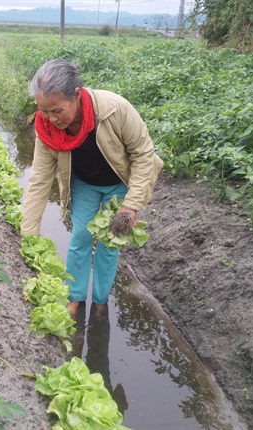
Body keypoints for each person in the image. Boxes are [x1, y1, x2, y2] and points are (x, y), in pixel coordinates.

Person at [21, 59, 163, 319]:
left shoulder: (114, 109)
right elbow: (40, 179)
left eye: (57, 110)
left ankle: (100, 302)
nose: (51, 119)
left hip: (118, 183)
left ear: (76, 95)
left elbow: (144, 155)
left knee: (109, 244)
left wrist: (131, 205)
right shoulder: (47, 130)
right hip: (84, 182)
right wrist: (28, 233)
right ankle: (74, 297)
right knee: (80, 238)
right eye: (44, 111)